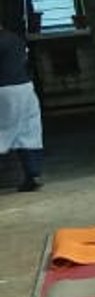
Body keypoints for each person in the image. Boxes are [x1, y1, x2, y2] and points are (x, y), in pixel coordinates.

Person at [0, 23, 43, 192]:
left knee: (4, 130)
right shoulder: (15, 38)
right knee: (28, 131)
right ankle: (32, 175)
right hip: (25, 86)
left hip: (5, 89)